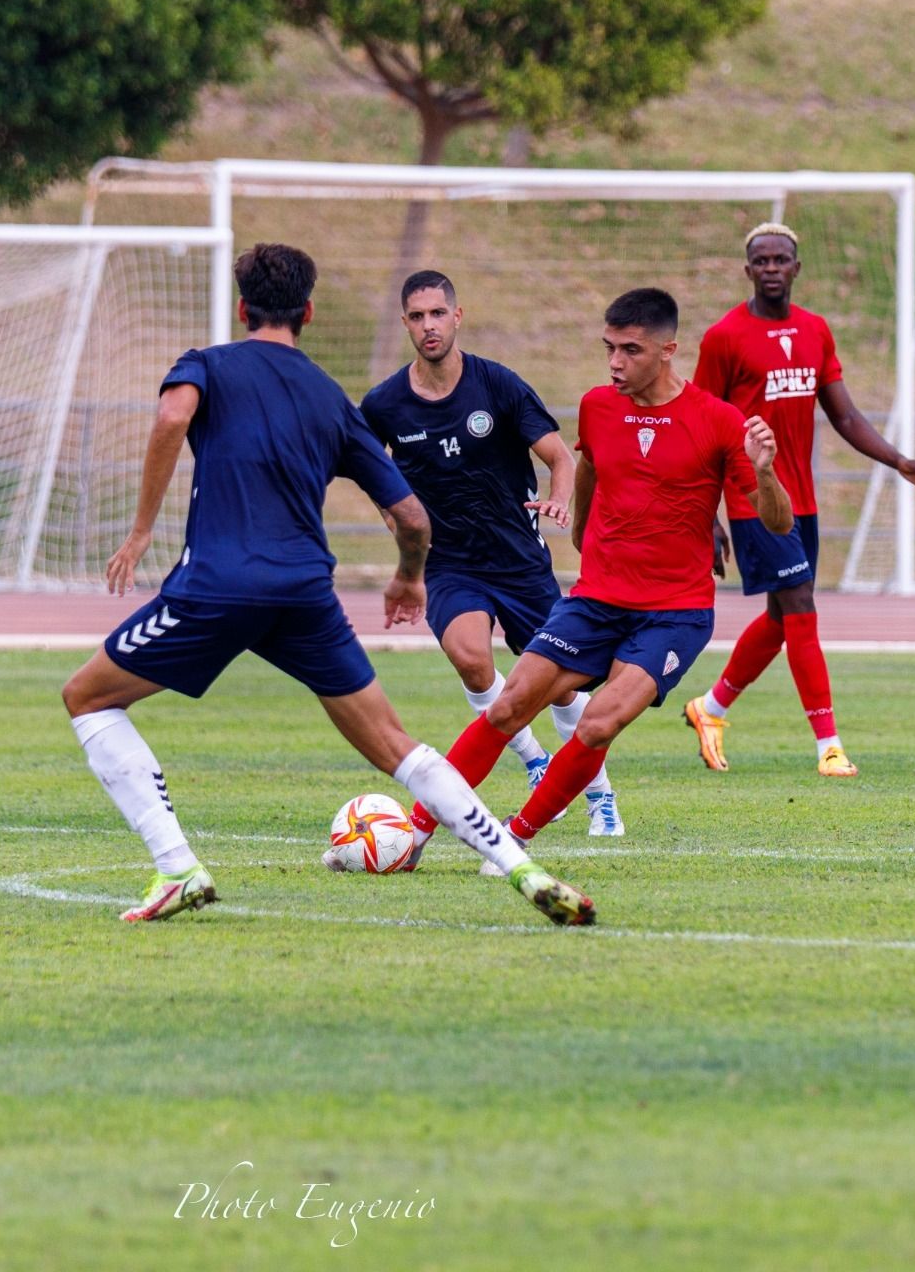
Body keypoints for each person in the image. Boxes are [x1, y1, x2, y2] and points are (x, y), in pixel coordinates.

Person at [59, 243, 594, 925]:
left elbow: (170, 418)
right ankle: (522, 867)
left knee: (88, 697)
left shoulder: (208, 365)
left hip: (216, 587)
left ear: (242, 307)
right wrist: (406, 576)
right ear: (309, 312)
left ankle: (177, 867)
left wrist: (139, 533)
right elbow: (409, 513)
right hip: (307, 595)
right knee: (397, 746)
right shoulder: (331, 398)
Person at [404, 288, 791, 856]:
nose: (615, 362)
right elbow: (587, 470)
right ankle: (411, 833)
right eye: (609, 348)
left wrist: (768, 471)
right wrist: (585, 538)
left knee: (597, 723)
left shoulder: (718, 420)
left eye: (630, 350)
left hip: (674, 613)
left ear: (668, 351)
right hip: (595, 601)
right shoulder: (598, 406)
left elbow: (776, 523)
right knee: (509, 706)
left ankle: (515, 837)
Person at [358, 271, 624, 853]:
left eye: (438, 314)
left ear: (458, 317)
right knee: (472, 658)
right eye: (417, 316)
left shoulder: (497, 385)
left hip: (519, 560)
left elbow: (558, 454)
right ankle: (533, 761)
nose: (429, 325)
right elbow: (372, 475)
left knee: (556, 688)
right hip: (449, 563)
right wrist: (399, 527)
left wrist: (559, 496)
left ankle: (599, 793)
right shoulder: (383, 405)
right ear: (406, 323)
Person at [684, 223, 915, 777]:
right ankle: (829, 745)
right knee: (800, 608)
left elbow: (843, 414)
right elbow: (700, 428)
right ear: (747, 271)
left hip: (802, 499)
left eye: (781, 260)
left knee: (781, 615)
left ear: (797, 269)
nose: (771, 268)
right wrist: (707, 516)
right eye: (761, 260)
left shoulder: (815, 331)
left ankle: (710, 708)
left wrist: (898, 460)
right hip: (752, 496)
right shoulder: (725, 337)